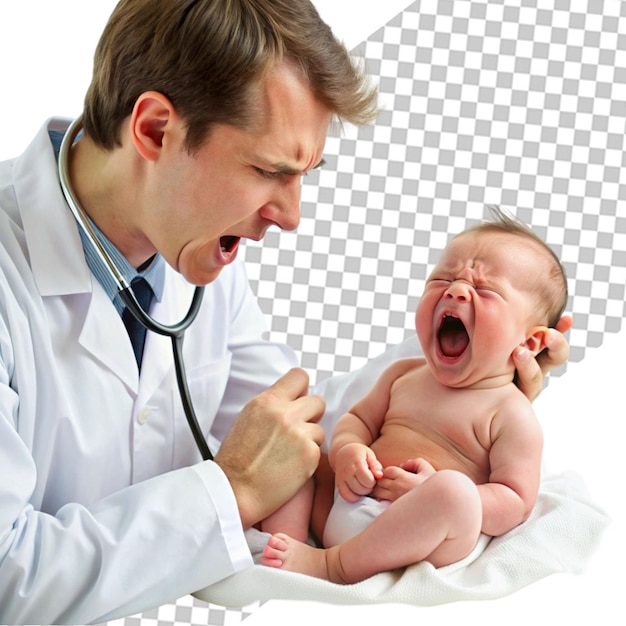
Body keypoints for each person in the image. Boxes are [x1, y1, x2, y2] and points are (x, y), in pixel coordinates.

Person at [0, 0, 571, 621]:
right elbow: (9, 579)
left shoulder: (189, 241)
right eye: (270, 170)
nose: (292, 217)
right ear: (156, 130)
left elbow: (294, 432)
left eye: (304, 175)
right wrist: (233, 490)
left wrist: (471, 395)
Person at [261, 208, 569, 583]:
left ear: (530, 340)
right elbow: (356, 422)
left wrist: (428, 490)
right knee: (297, 446)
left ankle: (333, 565)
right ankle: (283, 544)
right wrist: (347, 452)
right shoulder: (402, 374)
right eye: (442, 279)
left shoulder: (512, 413)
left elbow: (515, 501)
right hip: (348, 500)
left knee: (456, 495)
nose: (455, 290)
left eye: (484, 290)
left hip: (418, 537)